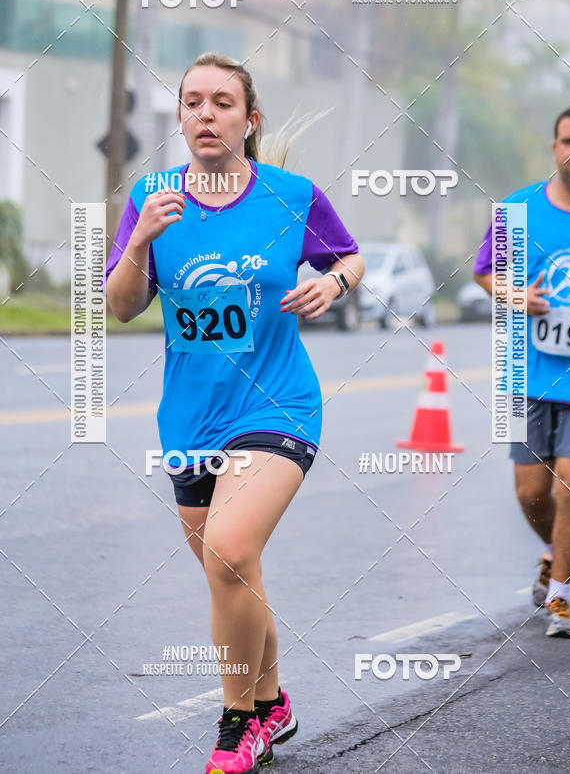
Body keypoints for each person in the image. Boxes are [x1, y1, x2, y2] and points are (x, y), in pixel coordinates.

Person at [105, 52, 364, 773]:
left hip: (278, 402)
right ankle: (275, 701)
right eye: (192, 102)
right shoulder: (153, 200)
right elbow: (122, 308)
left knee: (227, 551)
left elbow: (348, 256)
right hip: (191, 418)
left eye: (222, 102)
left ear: (249, 121)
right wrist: (138, 241)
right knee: (233, 571)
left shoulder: (291, 195)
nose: (205, 114)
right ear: (181, 116)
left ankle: (239, 723)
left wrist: (335, 284)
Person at [473, 105, 570, 638]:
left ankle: (561, 596)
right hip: (523, 371)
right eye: (569, 139)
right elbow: (484, 274)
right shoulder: (518, 211)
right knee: (531, 491)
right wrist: (515, 296)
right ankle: (551, 553)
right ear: (554, 148)